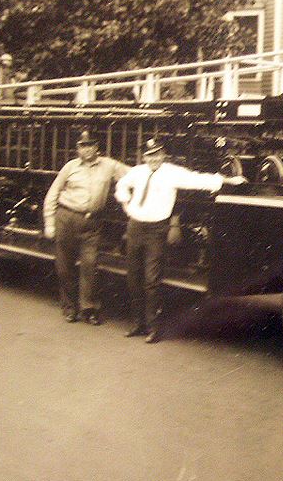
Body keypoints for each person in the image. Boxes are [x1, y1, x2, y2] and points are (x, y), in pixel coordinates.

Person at [115, 139, 246, 342]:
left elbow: (197, 179)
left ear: (163, 155)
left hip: (156, 230)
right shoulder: (137, 172)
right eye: (150, 155)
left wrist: (228, 181)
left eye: (157, 154)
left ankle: (152, 327)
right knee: (134, 276)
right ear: (144, 157)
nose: (153, 159)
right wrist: (126, 207)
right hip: (135, 227)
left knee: (151, 279)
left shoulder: (171, 173)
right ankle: (137, 324)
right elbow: (122, 184)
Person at [43, 131, 130, 325]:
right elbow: (52, 194)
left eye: (90, 145)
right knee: (64, 267)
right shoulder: (70, 167)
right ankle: (69, 308)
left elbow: (134, 174)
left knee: (90, 266)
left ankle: (89, 309)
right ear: (77, 149)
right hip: (66, 218)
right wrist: (49, 223)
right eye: (83, 145)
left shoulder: (109, 165)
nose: (87, 149)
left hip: (92, 223)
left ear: (97, 147)